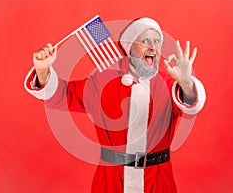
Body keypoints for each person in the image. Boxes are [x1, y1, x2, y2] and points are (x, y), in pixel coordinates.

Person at [24, 17, 206, 193]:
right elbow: (63, 95)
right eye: (145, 41)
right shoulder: (103, 82)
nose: (153, 46)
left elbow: (189, 107)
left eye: (157, 41)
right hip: (111, 180)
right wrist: (42, 71)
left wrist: (187, 84)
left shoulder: (169, 85)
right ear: (130, 48)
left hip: (157, 180)